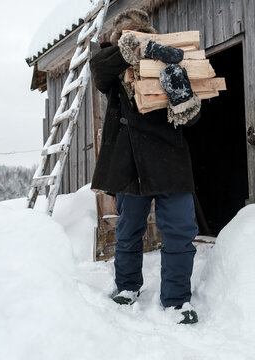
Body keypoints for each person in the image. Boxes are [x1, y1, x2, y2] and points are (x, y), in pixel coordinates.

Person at [90, 8, 201, 325]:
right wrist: (130, 49)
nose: (134, 38)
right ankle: (127, 287)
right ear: (118, 38)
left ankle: (177, 300)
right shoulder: (111, 65)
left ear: (152, 35)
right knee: (129, 231)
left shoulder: (171, 62)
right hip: (130, 162)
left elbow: (193, 119)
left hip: (171, 160)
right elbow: (99, 68)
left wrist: (183, 100)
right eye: (127, 35)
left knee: (180, 231)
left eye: (139, 33)